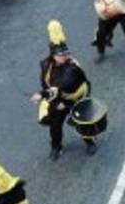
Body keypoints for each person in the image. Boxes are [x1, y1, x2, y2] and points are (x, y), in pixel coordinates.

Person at [31, 20, 91, 160]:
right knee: (55, 124)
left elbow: (63, 85)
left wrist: (42, 95)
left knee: (82, 121)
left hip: (75, 97)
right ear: (53, 56)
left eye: (66, 54)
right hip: (57, 100)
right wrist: (55, 101)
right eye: (61, 55)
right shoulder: (46, 65)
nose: (65, 56)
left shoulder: (73, 68)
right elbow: (45, 84)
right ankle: (56, 147)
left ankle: (89, 141)